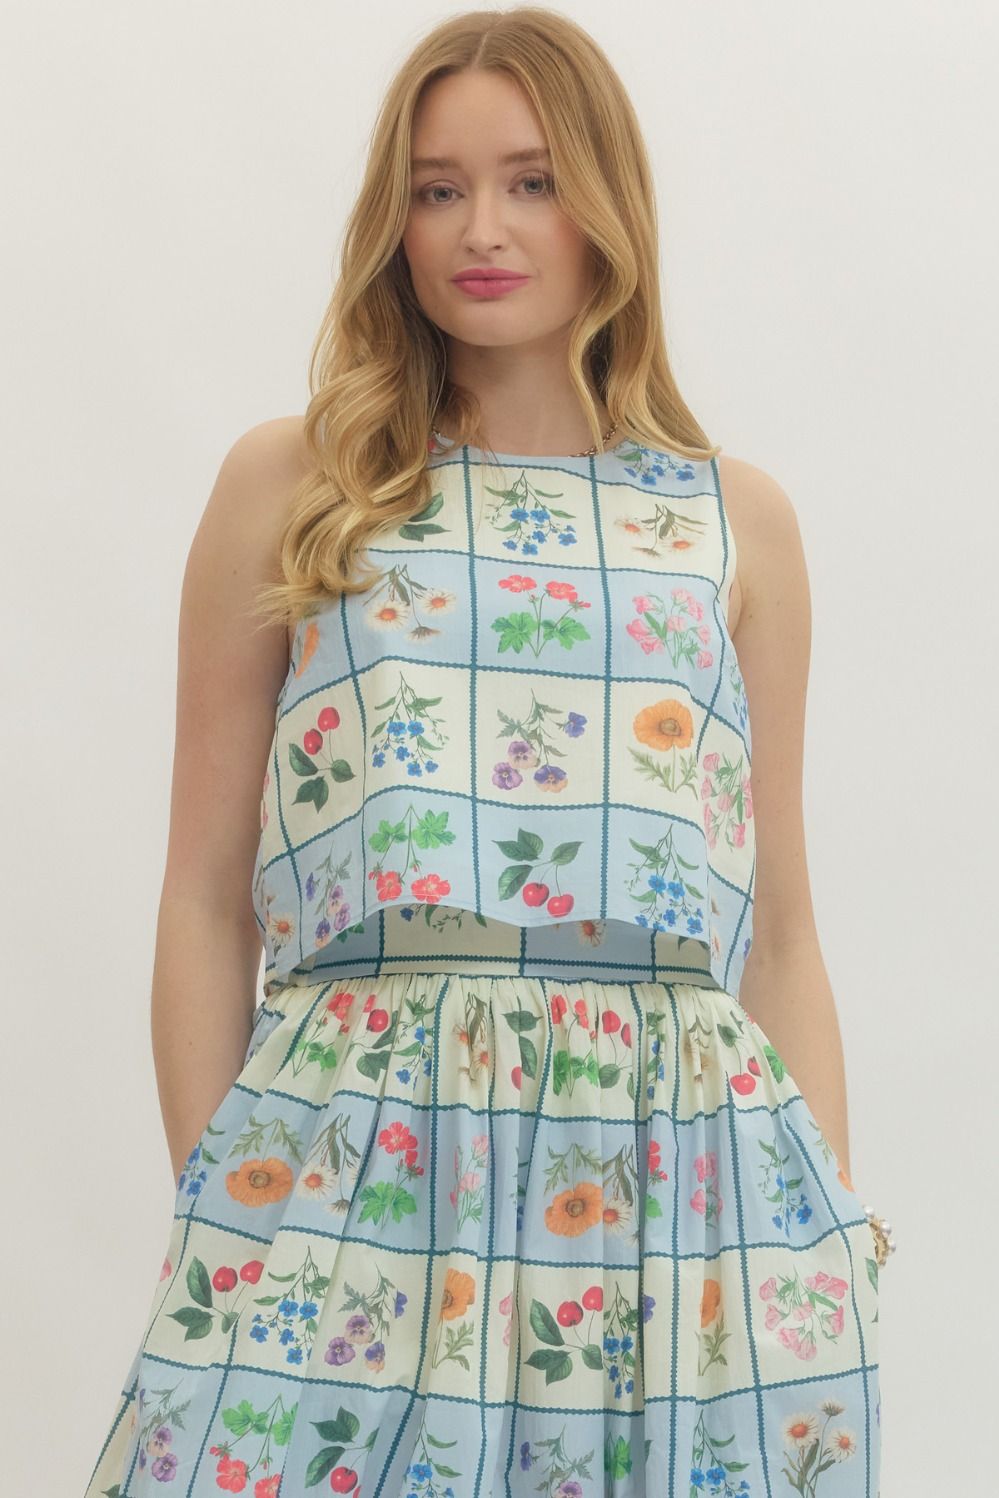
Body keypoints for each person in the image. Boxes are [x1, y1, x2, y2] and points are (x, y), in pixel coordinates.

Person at [83, 8, 892, 1495]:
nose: (481, 230)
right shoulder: (297, 482)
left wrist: (824, 1244)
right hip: (362, 1163)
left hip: (674, 1186)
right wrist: (224, 1202)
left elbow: (780, 930)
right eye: (437, 189)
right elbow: (203, 894)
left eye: (531, 182)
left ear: (607, 204)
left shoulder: (735, 521)